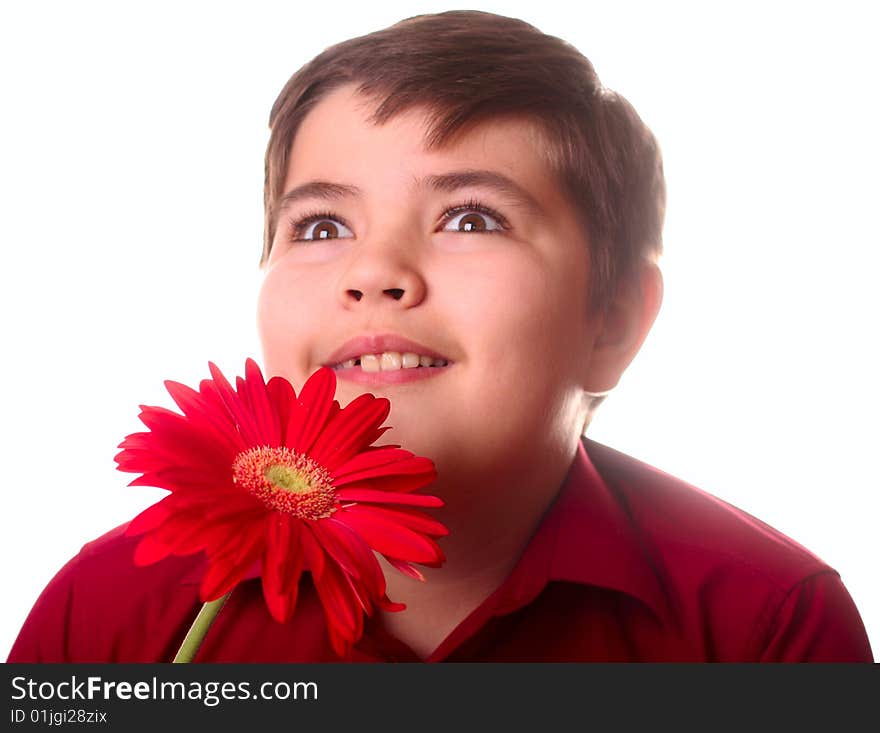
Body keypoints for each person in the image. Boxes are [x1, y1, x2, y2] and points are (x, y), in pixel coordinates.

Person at [8, 9, 873, 662]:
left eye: (468, 216)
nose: (376, 270)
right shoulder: (111, 613)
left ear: (611, 320)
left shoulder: (764, 624)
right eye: (318, 227)